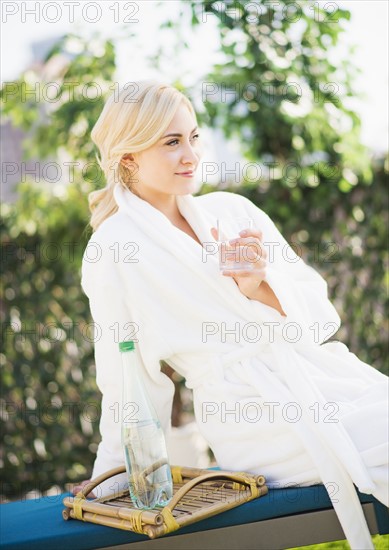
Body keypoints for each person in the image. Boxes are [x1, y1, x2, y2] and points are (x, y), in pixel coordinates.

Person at [74, 80, 388, 549]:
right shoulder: (114, 249)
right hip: (247, 413)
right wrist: (114, 472)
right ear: (128, 157)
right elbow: (128, 377)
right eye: (172, 142)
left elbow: (320, 319)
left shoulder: (234, 210)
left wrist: (258, 286)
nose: (191, 154)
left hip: (322, 376)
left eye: (194, 137)